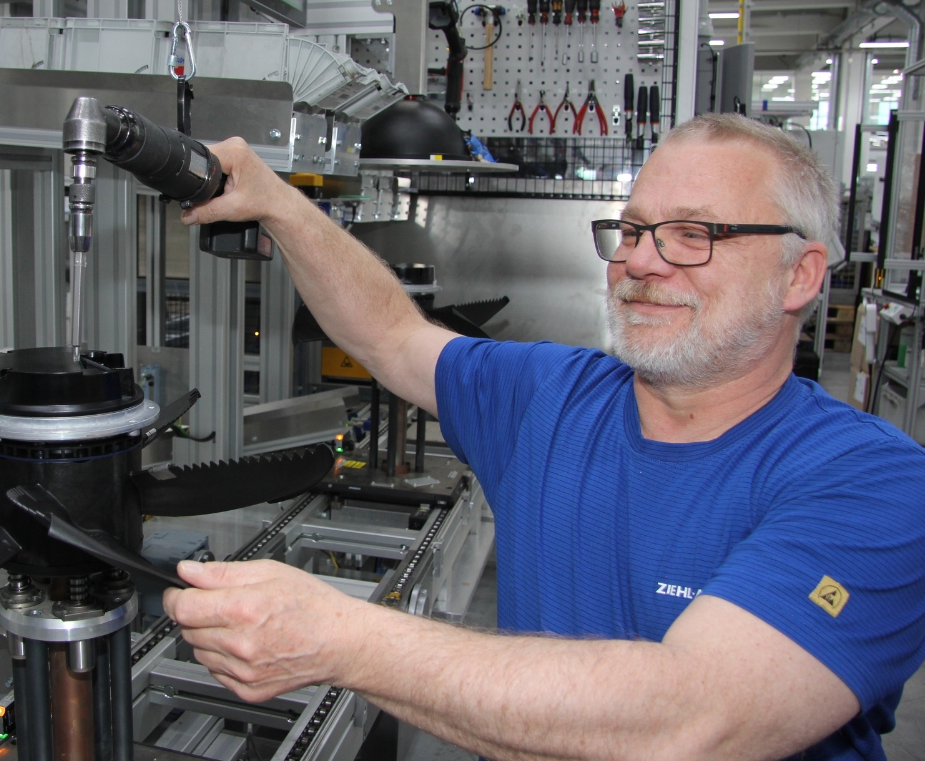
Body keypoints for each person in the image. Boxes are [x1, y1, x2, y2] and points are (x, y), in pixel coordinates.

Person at [161, 113, 925, 761]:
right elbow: (392, 336)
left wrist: (341, 640)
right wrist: (284, 208)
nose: (640, 262)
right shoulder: (555, 398)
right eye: (632, 230)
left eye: (694, 234)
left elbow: (695, 720)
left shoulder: (874, 485)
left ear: (801, 275)